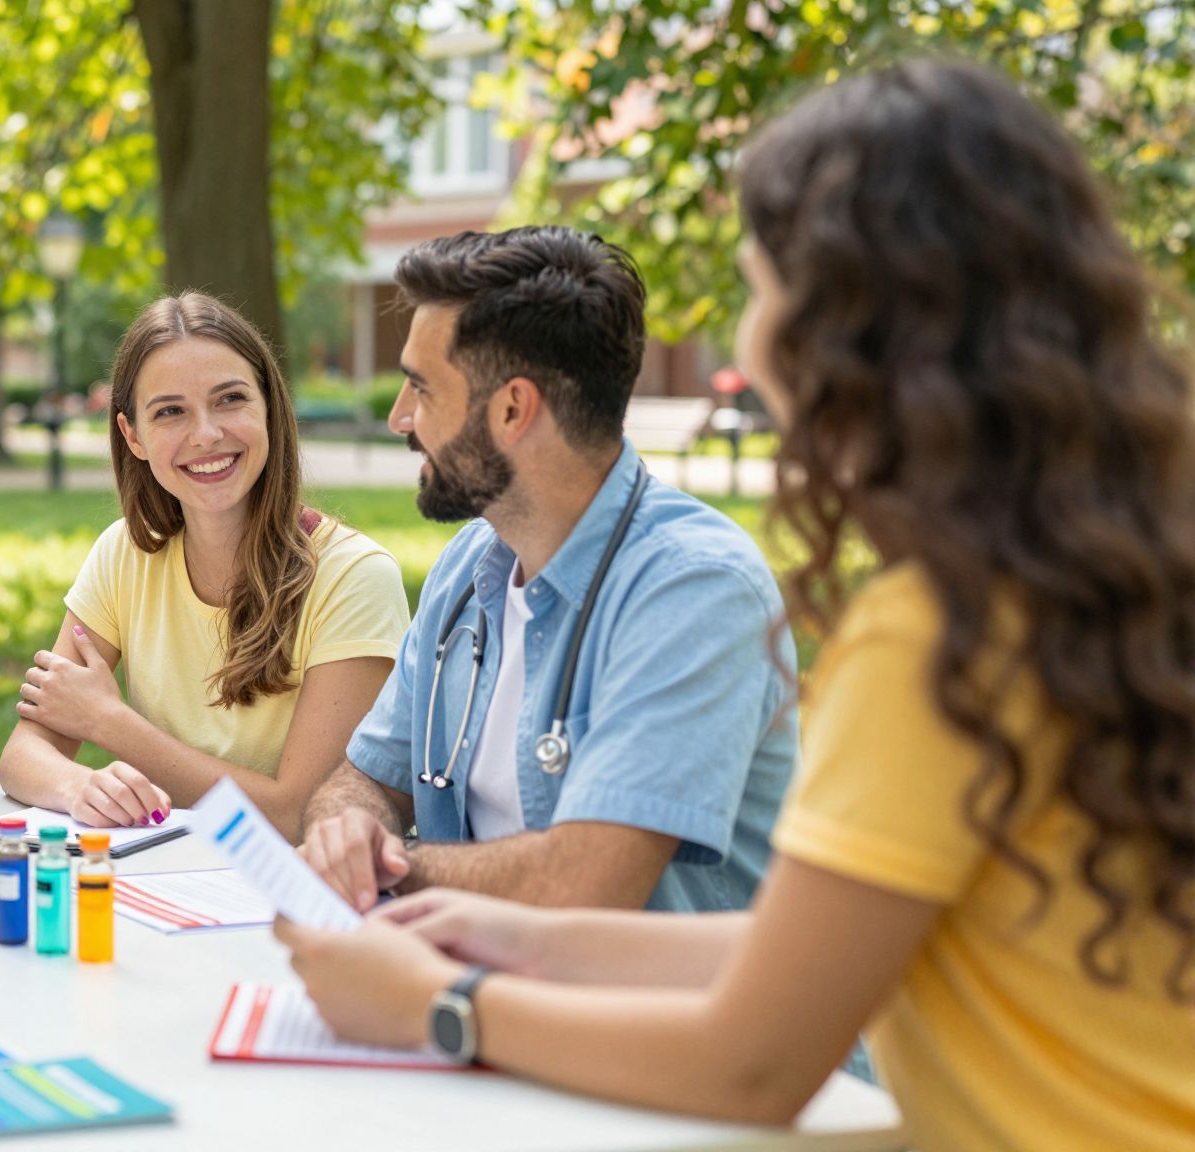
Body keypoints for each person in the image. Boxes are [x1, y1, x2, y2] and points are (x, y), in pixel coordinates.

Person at [275, 61, 1195, 1150]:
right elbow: (800, 949)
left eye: (761, 292)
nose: (749, 343)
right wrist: (492, 934)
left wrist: (438, 1006)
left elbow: (752, 1059)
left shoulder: (933, 637)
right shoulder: (1083, 587)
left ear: (844, 334)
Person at [298, 226, 795, 916]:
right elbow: (361, 781)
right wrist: (347, 827)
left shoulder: (696, 590)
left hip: (647, 1017)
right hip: (479, 991)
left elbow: (588, 883)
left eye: (420, 388)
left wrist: (390, 867)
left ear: (512, 409)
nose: (398, 417)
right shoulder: (467, 571)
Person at [0, 293, 409, 834]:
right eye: (170, 411)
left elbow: (302, 815)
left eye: (230, 400)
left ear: (270, 408)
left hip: (289, 900)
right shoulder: (124, 555)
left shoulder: (355, 578)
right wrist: (80, 787)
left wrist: (109, 722)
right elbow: (24, 754)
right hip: (161, 879)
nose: (206, 434)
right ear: (133, 437)